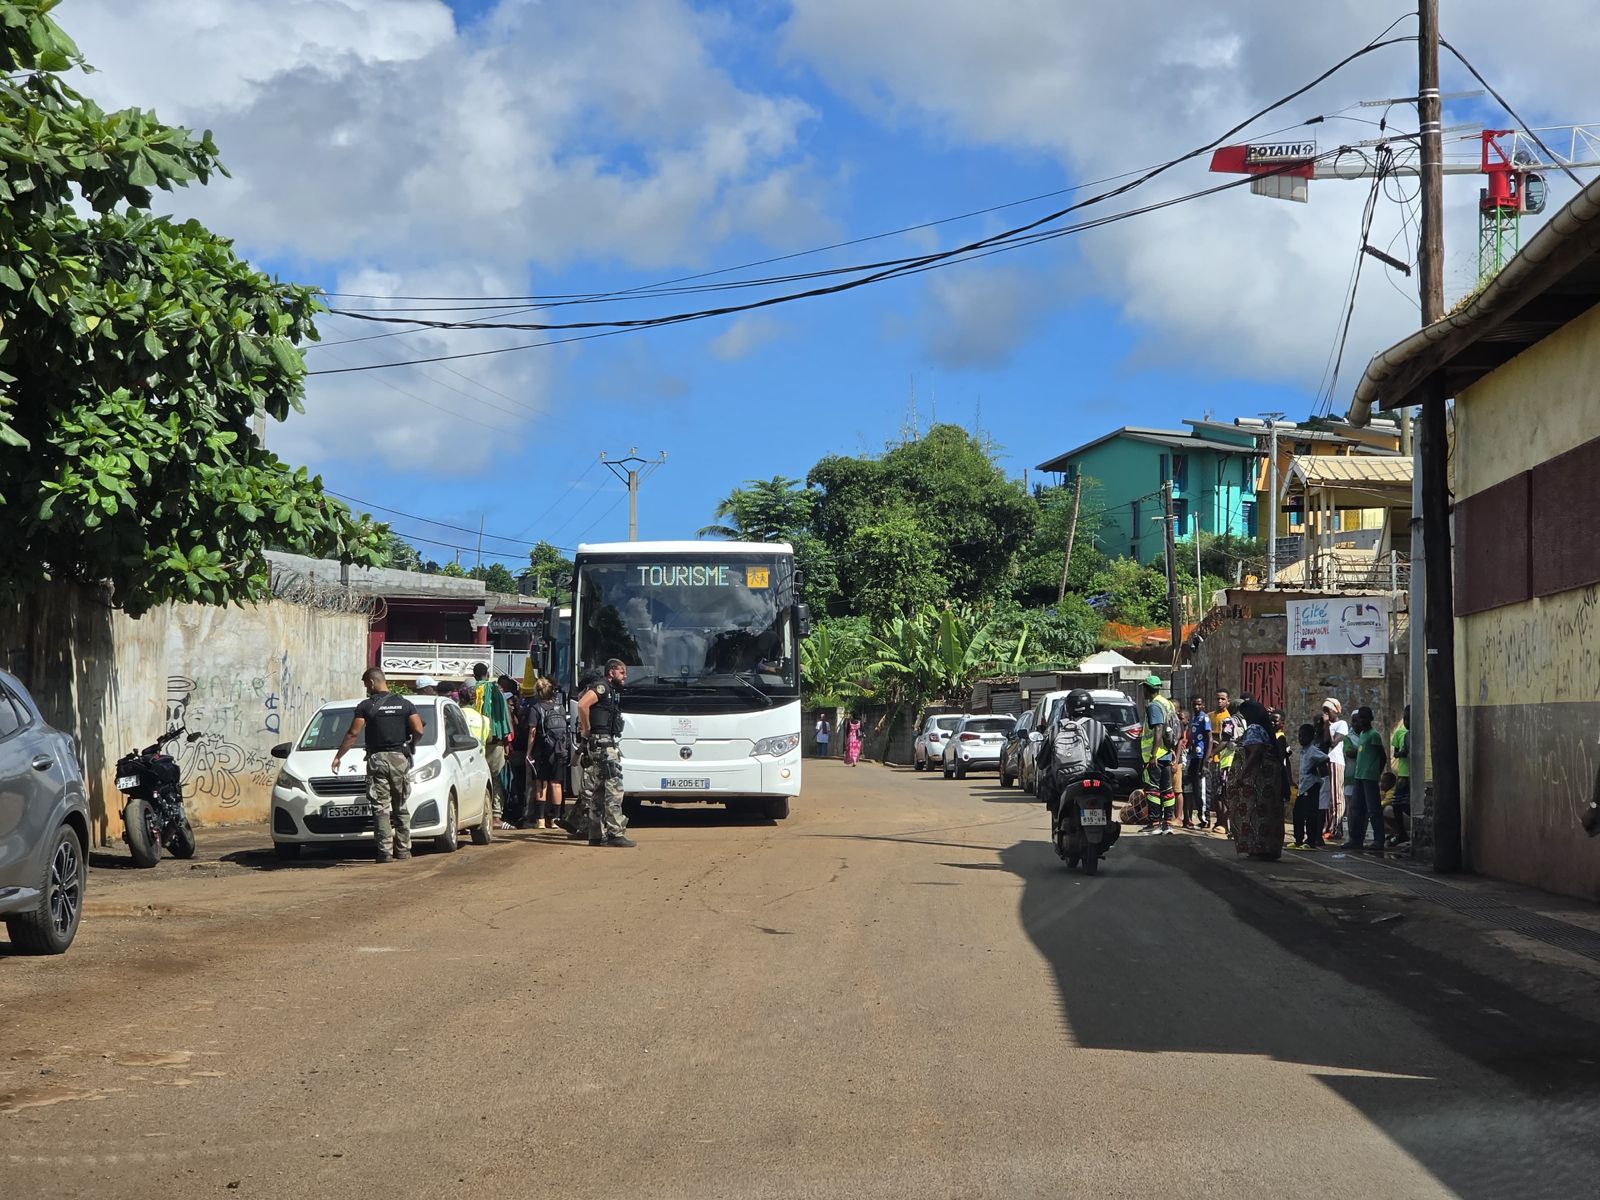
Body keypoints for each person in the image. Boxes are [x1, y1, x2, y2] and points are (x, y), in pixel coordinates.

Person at [331, 669, 425, 863]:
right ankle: (404, 850)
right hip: (399, 758)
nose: (366, 688)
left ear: (372, 682)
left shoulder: (366, 706)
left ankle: (385, 852)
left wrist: (339, 756)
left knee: (381, 807)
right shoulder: (404, 704)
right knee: (400, 805)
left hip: (377, 760)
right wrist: (411, 745)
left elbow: (353, 734)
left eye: (366, 684)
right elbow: (418, 729)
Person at [1036, 688, 1121, 826]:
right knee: (1111, 787)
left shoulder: (1057, 728)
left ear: (1067, 708)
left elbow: (1041, 762)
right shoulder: (1098, 727)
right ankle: (1107, 822)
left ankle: (1057, 824)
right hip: (1095, 780)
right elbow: (1113, 761)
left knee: (1049, 785)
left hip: (1064, 782)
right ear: (1090, 707)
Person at [576, 658, 634, 847]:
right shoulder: (602, 688)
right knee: (614, 787)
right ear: (611, 672)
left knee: (600, 790)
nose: (625, 676)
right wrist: (586, 730)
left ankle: (595, 834)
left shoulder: (611, 691)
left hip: (602, 742)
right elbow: (582, 705)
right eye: (622, 672)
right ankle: (615, 833)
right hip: (602, 743)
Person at [1226, 698, 1286, 861]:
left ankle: (1256, 847)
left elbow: (1255, 751)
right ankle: (1267, 848)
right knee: (1268, 812)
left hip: (1258, 779)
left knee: (1255, 813)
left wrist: (1242, 774)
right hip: (1270, 780)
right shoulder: (1266, 729)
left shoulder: (1253, 729)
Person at [525, 676, 572, 831]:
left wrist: (529, 752)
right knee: (556, 784)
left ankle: (540, 820)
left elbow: (532, 732)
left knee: (541, 783)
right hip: (559, 750)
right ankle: (555, 819)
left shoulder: (535, 708)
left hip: (542, 750)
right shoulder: (560, 708)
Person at [1341, 705, 1389, 854]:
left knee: (1373, 810)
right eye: (1359, 718)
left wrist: (1376, 773)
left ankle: (1379, 840)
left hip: (1369, 777)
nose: (1361, 721)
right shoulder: (1362, 734)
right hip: (1359, 777)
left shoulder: (1374, 735)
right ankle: (1356, 839)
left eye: (1364, 718)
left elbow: (1382, 756)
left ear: (1370, 719)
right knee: (1356, 809)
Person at [472, 662, 514, 830]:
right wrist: (507, 741)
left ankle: (477, 815)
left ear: (474, 675)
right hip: (495, 741)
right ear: (488, 674)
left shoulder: (470, 691)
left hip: (474, 744)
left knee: (476, 779)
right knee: (495, 779)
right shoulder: (496, 691)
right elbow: (504, 717)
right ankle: (496, 816)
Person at [1140, 675, 1177, 833]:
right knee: (1167, 790)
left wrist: (1153, 755)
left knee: (1153, 790)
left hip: (1157, 756)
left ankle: (1154, 823)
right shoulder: (1167, 703)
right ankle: (1167, 823)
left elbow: (1158, 729)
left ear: (1147, 689)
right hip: (1167, 753)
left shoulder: (1154, 706)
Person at [1292, 723, 1329, 850]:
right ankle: (1298, 840)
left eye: (1304, 736)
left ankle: (1311, 841)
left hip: (1312, 786)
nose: (1301, 739)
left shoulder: (1313, 750)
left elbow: (1326, 758)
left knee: (1310, 814)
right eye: (1299, 736)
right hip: (1303, 787)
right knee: (1298, 813)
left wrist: (1315, 767)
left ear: (1311, 737)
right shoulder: (1303, 751)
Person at [1318, 698, 1349, 842]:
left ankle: (1336, 828)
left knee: (1337, 796)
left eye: (1328, 711)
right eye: (1324, 711)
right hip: (1325, 762)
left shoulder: (1341, 724)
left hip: (1335, 761)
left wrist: (1326, 725)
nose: (1325, 714)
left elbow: (1332, 743)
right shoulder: (1326, 726)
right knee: (1326, 797)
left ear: (1335, 710)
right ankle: (1327, 827)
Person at [1181, 697, 1212, 829]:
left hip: (1200, 757)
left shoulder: (1205, 718)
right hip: (1193, 756)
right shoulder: (1194, 718)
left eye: (1199, 704)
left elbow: (1210, 739)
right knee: (1193, 789)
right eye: (1194, 704)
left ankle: (1205, 819)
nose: (1196, 707)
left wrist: (1205, 762)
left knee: (1201, 790)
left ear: (1203, 705)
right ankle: (1198, 818)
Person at [1208, 689, 1234, 834]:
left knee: (1221, 792)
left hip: (1223, 760)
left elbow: (1225, 740)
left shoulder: (1228, 718)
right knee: (1213, 792)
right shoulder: (1209, 716)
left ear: (1228, 701)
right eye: (1218, 698)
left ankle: (1223, 823)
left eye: (1223, 699)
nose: (1220, 701)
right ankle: (1218, 820)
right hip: (1211, 759)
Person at [1389, 706, 1412, 847]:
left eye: (1409, 719)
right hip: (1403, 774)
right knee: (1397, 804)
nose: (1407, 722)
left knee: (1407, 805)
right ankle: (1401, 833)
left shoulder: (1415, 734)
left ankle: (1406, 833)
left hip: (1411, 775)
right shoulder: (1403, 734)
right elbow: (1396, 753)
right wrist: (1402, 753)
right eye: (1405, 719)